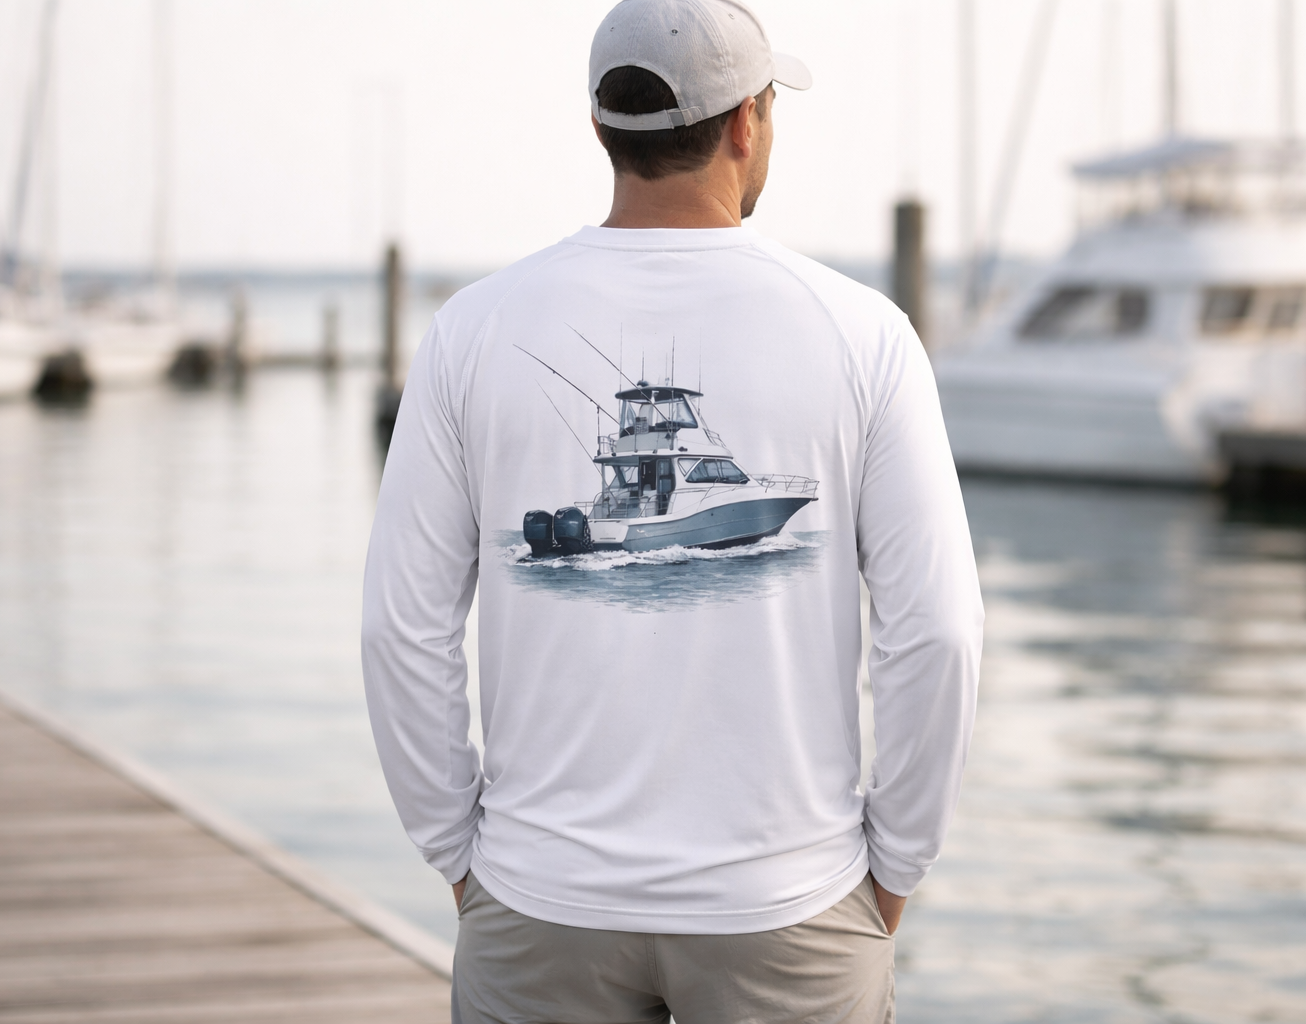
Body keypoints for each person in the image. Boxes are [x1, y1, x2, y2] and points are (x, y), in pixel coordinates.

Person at [361, 1, 984, 1020]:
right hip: (789, 901)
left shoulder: (469, 330)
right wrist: (895, 870)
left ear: (601, 127)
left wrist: (457, 855)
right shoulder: (866, 335)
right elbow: (940, 633)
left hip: (536, 894)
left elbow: (400, 627)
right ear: (746, 123)